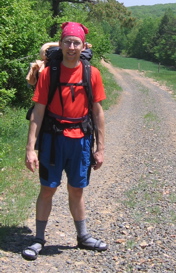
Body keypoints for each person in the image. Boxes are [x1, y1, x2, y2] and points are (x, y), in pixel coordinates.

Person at [22, 22, 107, 260]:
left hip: (81, 140)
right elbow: (38, 112)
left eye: (76, 42)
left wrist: (100, 148)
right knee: (48, 188)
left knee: (77, 189)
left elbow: (98, 112)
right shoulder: (50, 73)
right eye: (67, 42)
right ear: (60, 44)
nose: (71, 47)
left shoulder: (92, 73)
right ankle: (38, 239)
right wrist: (31, 149)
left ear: (83, 46)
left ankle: (83, 237)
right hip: (53, 139)